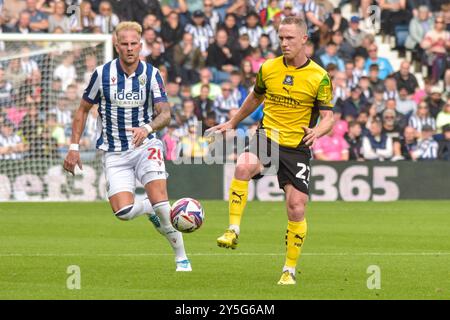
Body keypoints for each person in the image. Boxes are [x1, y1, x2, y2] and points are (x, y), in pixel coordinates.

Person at [207, 17, 334, 285]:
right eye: (281, 37)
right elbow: (255, 97)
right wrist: (233, 122)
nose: (284, 43)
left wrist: (318, 132)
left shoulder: (319, 77)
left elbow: (328, 117)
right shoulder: (268, 68)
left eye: (289, 38)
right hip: (268, 137)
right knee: (242, 166)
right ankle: (232, 230)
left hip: (297, 147)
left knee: (296, 208)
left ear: (304, 39)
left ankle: (289, 270)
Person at [62, 21, 192, 272]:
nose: (130, 48)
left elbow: (165, 113)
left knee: (162, 203)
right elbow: (82, 110)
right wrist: (74, 147)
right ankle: (147, 208)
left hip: (146, 145)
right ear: (116, 45)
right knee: (123, 212)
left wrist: (148, 129)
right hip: (114, 151)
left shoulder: (152, 74)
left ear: (141, 45)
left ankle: (181, 258)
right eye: (125, 44)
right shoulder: (101, 74)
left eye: (134, 44)